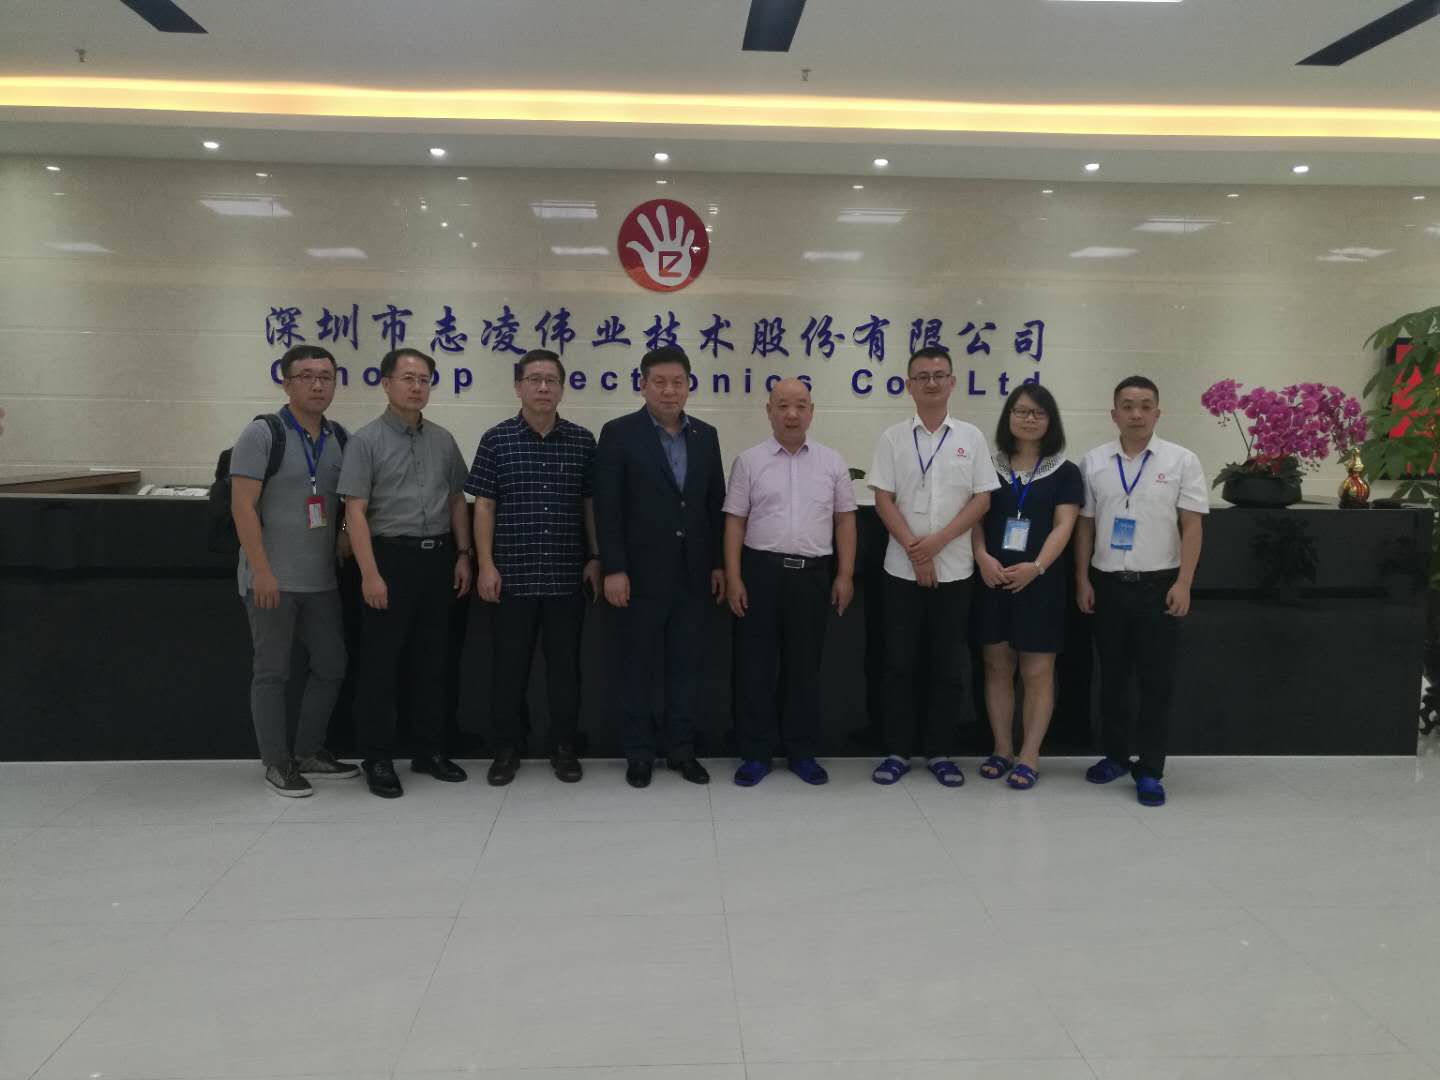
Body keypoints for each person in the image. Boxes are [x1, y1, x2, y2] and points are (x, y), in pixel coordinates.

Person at [338, 347, 474, 799]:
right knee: (380, 665)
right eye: (408, 379)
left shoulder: (443, 440)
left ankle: (429, 750)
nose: (417, 387)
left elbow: (456, 500)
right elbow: (355, 512)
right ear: (386, 383)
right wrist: (369, 574)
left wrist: (463, 554)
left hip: (437, 560)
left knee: (433, 661)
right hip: (388, 560)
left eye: (424, 380)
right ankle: (377, 757)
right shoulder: (365, 441)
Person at [594, 345, 726, 789]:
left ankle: (682, 750)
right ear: (643, 385)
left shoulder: (705, 435)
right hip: (637, 576)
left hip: (692, 574)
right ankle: (639, 753)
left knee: (686, 666)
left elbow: (713, 505)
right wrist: (614, 568)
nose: (670, 391)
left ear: (689, 386)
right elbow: (608, 507)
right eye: (660, 382)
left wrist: (718, 565)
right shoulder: (619, 433)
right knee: (638, 667)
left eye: (678, 382)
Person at [867, 346, 1000, 787]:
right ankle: (897, 751)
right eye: (922, 376)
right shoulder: (893, 438)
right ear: (909, 386)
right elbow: (882, 498)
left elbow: (982, 499)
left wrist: (937, 544)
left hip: (956, 571)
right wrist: (915, 551)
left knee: (948, 666)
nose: (931, 382)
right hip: (900, 571)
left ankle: (940, 751)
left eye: (939, 375)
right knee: (898, 665)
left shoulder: (971, 437)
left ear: (952, 382)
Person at [468, 349, 601, 786]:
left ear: (562, 388)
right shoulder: (496, 439)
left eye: (551, 380)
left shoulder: (582, 441)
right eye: (534, 379)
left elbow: (590, 504)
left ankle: (565, 747)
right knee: (509, 669)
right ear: (518, 386)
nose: (543, 387)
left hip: (566, 575)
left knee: (566, 670)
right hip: (511, 575)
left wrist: (595, 556)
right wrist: (485, 564)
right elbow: (484, 506)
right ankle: (507, 748)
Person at [230, 344, 357, 797]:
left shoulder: (340, 437)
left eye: (326, 376)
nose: (318, 385)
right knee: (272, 672)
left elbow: (352, 500)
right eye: (306, 376)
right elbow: (242, 506)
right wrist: (261, 571)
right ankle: (276, 762)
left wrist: (344, 531)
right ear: (286, 383)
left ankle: (308, 752)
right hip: (272, 580)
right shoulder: (263, 434)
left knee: (331, 665)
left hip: (321, 579)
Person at [1074, 375, 1207, 807]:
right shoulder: (1094, 462)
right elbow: (1085, 526)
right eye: (1128, 406)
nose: (1137, 414)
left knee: (1156, 682)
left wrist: (1184, 582)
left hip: (1159, 586)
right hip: (1108, 585)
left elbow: (1192, 526)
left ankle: (1149, 769)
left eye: (1145, 406)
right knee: (1112, 679)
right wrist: (1082, 579)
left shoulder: (1182, 460)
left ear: (1158, 412)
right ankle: (1115, 755)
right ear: (1114, 413)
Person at [723, 379, 857, 787]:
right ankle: (755, 754)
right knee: (755, 668)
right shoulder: (749, 461)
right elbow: (735, 521)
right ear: (769, 411)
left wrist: (845, 575)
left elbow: (845, 520)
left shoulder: (832, 462)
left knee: (805, 668)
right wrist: (734, 577)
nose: (792, 414)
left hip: (813, 577)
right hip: (760, 573)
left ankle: (802, 753)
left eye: (800, 405)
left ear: (812, 411)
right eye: (782, 406)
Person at [972, 383, 1082, 791]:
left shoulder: (1065, 472)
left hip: (1040, 583)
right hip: (993, 579)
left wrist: (1036, 567)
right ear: (1008, 417)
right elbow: (974, 519)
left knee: (1037, 671)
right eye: (1020, 411)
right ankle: (1002, 748)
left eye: (1038, 413)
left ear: (1051, 421)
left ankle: (1030, 754)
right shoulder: (988, 466)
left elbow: (1064, 525)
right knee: (997, 667)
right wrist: (981, 557)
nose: (1029, 419)